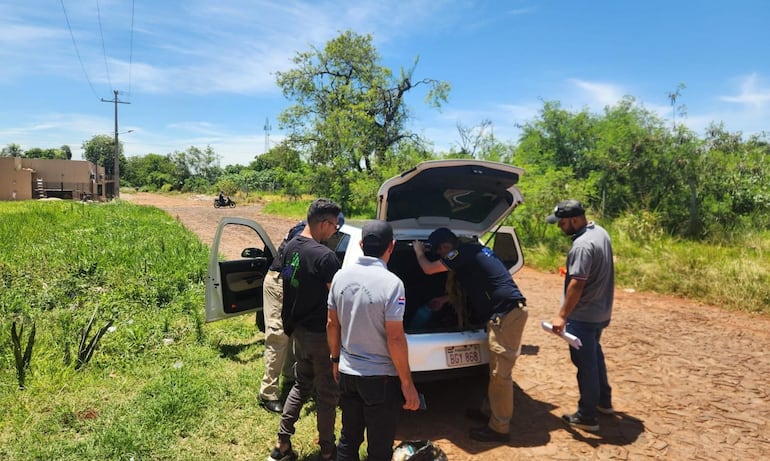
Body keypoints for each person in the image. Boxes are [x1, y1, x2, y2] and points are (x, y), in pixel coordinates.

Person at [412, 228, 528, 443]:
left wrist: (419, 251)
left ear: (445, 247)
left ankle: (499, 428)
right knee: (494, 370)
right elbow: (477, 281)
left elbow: (428, 270)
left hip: (506, 316)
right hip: (505, 314)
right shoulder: (476, 249)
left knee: (500, 375)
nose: (440, 257)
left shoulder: (461, 253)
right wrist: (445, 300)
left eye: (439, 252)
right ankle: (488, 411)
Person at [327, 220, 421, 461]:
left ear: (360, 244)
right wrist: (407, 382)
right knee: (379, 446)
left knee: (348, 439)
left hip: (348, 374)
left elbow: (332, 324)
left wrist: (335, 360)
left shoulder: (340, 277)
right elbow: (395, 338)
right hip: (381, 380)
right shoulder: (392, 284)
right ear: (391, 246)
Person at [268, 198, 343, 461]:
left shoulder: (290, 248)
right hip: (321, 337)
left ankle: (282, 443)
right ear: (323, 223)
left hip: (299, 333)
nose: (335, 230)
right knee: (327, 395)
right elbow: (335, 303)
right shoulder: (326, 257)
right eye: (334, 225)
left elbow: (288, 283)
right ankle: (327, 450)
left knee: (301, 385)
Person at [546, 199, 615, 433]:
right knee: (595, 355)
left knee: (585, 365)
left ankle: (587, 416)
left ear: (575, 220)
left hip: (584, 315)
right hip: (601, 312)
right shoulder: (600, 232)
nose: (559, 227)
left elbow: (577, 283)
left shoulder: (582, 245)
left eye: (562, 223)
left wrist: (562, 316)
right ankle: (604, 401)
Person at [258, 220, 306, 413]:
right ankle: (267, 393)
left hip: (290, 285)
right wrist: (290, 284)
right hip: (280, 283)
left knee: (293, 333)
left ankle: (290, 377)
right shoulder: (301, 235)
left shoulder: (310, 233)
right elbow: (287, 266)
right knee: (278, 336)